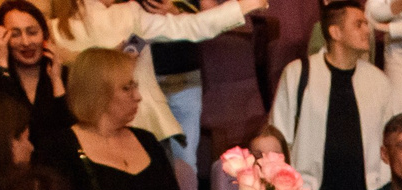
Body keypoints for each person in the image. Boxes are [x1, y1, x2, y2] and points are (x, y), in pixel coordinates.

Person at [48, 0, 268, 147]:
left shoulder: (57, 28)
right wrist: (243, 6)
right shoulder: (126, 13)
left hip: (113, 130)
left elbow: (190, 26)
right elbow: (192, 26)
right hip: (137, 127)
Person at [268, 0, 400, 190]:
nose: (367, 30)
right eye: (359, 24)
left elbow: (389, 143)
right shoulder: (299, 74)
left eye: (366, 23)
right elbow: (279, 137)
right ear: (335, 32)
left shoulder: (379, 82)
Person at [59, 47, 195, 190]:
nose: (138, 96)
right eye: (127, 88)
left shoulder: (147, 140)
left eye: (136, 86)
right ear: (98, 93)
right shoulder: (61, 149)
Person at [0, 0, 74, 164]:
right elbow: (5, 124)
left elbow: (67, 135)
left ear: (44, 34)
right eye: (15, 34)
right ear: (2, 38)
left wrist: (57, 81)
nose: (26, 42)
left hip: (58, 170)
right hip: (11, 171)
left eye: (32, 32)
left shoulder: (63, 74)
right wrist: (0, 62)